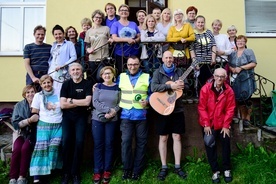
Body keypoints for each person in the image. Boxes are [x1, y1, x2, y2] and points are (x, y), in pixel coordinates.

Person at [151, 51, 189, 181]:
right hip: (162, 109)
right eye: (166, 57)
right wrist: (170, 85)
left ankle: (178, 166)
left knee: (177, 136)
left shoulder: (179, 72)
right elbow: (153, 87)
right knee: (163, 138)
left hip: (177, 109)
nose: (169, 60)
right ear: (162, 59)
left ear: (174, 59)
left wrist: (184, 85)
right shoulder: (158, 72)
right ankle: (164, 166)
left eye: (171, 58)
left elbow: (188, 86)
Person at [198, 68, 235, 183]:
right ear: (213, 76)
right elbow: (202, 108)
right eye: (217, 76)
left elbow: (230, 108)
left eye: (222, 76)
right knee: (210, 145)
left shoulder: (229, 90)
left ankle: (226, 169)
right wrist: (206, 124)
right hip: (209, 123)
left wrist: (226, 125)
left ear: (225, 78)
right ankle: (215, 171)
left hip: (223, 123)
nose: (219, 78)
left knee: (226, 144)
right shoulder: (205, 89)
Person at [118, 56, 150, 181]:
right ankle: (127, 168)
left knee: (141, 144)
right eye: (130, 64)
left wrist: (147, 101)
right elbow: (111, 87)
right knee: (125, 142)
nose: (132, 67)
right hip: (126, 115)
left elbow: (153, 93)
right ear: (127, 65)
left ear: (139, 64)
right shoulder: (121, 77)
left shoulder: (147, 77)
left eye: (135, 64)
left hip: (141, 115)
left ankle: (137, 170)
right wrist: (97, 86)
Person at [60, 62, 92, 184]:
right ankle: (66, 172)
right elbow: (63, 104)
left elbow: (87, 102)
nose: (75, 71)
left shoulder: (87, 83)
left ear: (81, 71)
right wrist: (79, 101)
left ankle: (75, 173)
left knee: (79, 142)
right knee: (66, 141)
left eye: (78, 69)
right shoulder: (66, 84)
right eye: (73, 70)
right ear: (69, 72)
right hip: (67, 118)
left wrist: (71, 100)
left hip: (81, 117)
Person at [29, 75, 63, 183]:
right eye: (44, 83)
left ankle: (48, 171)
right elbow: (35, 110)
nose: (46, 85)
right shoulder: (38, 96)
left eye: (48, 82)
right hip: (44, 125)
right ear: (41, 85)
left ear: (52, 82)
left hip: (58, 125)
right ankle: (37, 177)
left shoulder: (59, 92)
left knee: (54, 147)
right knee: (41, 149)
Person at [92, 66, 121, 184]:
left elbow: (120, 103)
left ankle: (107, 170)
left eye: (109, 73)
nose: (107, 76)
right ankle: (97, 171)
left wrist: (114, 111)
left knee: (109, 144)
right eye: (104, 74)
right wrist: (108, 110)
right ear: (101, 76)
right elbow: (95, 102)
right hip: (97, 119)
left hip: (112, 120)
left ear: (113, 75)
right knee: (98, 144)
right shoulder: (98, 86)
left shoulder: (118, 88)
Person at [9, 85, 38, 184]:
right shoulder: (19, 105)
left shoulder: (39, 103)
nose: (30, 94)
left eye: (32, 92)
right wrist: (29, 121)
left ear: (36, 93)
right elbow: (15, 124)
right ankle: (13, 177)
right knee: (17, 149)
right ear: (24, 95)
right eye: (28, 92)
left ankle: (22, 176)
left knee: (25, 149)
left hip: (33, 134)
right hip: (20, 133)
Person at [228, 35, 257, 127]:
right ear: (236, 42)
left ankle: (247, 119)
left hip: (247, 78)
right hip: (236, 79)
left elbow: (253, 63)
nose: (240, 42)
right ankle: (242, 118)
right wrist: (232, 69)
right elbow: (228, 64)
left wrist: (241, 68)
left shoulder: (248, 51)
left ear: (245, 42)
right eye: (238, 41)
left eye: (242, 41)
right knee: (239, 99)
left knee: (247, 98)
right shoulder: (233, 53)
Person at [111, 4, 140, 75]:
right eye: (122, 10)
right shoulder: (115, 24)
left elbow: (139, 36)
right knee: (121, 73)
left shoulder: (133, 24)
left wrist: (135, 40)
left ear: (128, 13)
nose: (124, 12)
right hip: (121, 53)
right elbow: (114, 38)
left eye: (126, 10)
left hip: (134, 52)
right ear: (119, 12)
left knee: (134, 72)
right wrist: (127, 40)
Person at [189, 15, 216, 90]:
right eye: (199, 22)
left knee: (209, 82)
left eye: (202, 22)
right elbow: (191, 49)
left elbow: (213, 45)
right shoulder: (192, 33)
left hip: (208, 62)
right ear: (195, 22)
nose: (200, 24)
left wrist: (213, 58)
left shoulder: (208, 32)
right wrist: (195, 62)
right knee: (199, 83)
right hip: (198, 61)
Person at [48, 24, 77, 93]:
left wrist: (64, 65)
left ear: (64, 34)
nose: (58, 36)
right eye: (56, 34)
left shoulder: (69, 44)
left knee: (61, 91)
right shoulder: (53, 45)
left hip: (63, 72)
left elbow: (74, 57)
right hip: (52, 71)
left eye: (60, 34)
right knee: (52, 90)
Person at [85, 9, 110, 84]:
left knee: (100, 77)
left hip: (103, 57)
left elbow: (111, 39)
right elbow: (88, 45)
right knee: (91, 79)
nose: (98, 19)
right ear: (93, 18)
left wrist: (111, 40)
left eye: (100, 17)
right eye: (96, 17)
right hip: (92, 59)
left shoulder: (106, 28)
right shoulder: (89, 31)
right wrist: (88, 49)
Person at [23, 25, 51, 90]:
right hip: (32, 75)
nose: (40, 36)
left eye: (42, 34)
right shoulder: (28, 47)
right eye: (38, 34)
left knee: (44, 96)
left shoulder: (49, 47)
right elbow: (27, 64)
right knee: (31, 95)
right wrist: (33, 77)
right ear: (34, 34)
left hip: (45, 75)